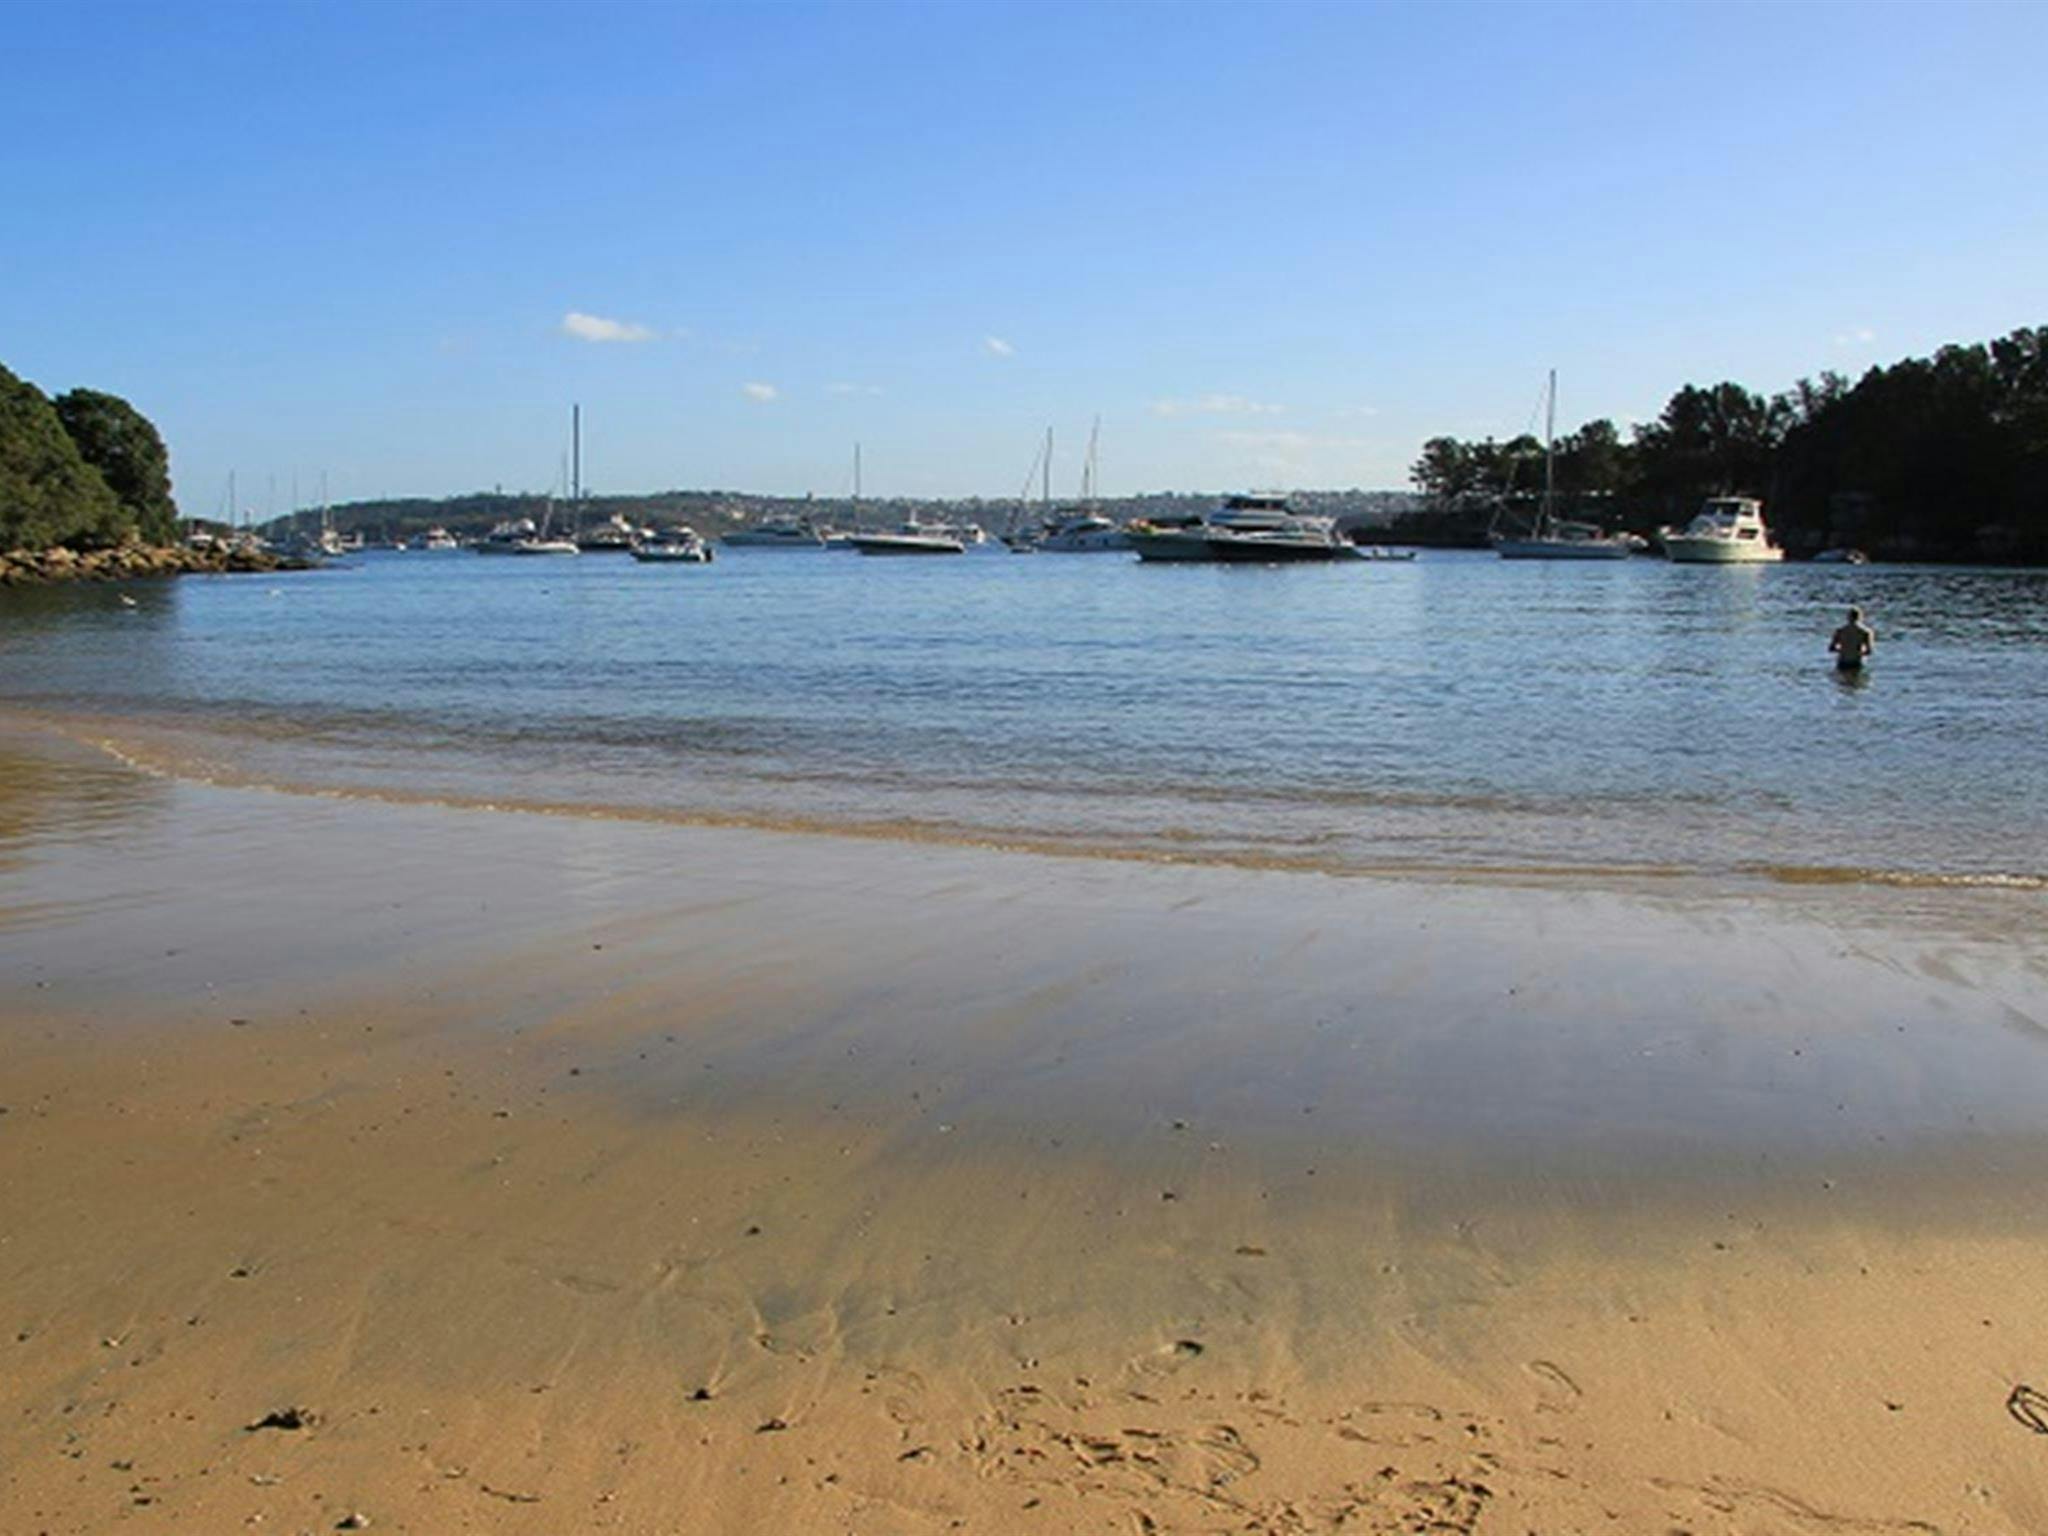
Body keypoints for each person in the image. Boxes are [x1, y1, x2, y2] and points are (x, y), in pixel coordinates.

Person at [1829, 606, 1875, 672]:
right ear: (1860, 617)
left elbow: (1831, 648)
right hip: (1856, 661)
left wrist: (1843, 649)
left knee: (1842, 681)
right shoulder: (1866, 632)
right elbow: (1869, 651)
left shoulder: (1840, 631)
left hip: (1843, 661)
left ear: (1848, 617)